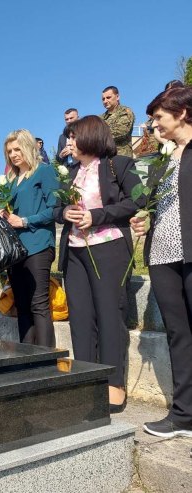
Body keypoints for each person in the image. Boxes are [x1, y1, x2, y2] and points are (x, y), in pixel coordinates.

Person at [53, 115, 143, 413]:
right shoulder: (71, 174)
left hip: (108, 248)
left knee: (108, 314)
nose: (68, 143)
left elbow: (136, 202)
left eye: (73, 136)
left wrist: (97, 215)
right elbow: (56, 209)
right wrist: (64, 211)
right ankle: (86, 381)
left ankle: (113, 384)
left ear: (90, 136)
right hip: (75, 252)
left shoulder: (120, 165)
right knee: (80, 318)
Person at [130, 86, 192, 438]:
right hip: (163, 254)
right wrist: (146, 220)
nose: (153, 124)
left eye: (158, 117)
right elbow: (160, 205)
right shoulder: (164, 158)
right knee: (178, 334)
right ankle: (184, 416)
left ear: (182, 112)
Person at [1, 129, 59, 347]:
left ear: (28, 147)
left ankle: (45, 359)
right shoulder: (10, 181)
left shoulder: (44, 171)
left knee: (39, 304)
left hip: (38, 245)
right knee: (22, 305)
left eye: (17, 149)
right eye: (10, 151)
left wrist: (24, 221)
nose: (14, 154)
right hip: (15, 251)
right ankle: (27, 359)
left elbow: (55, 209)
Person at [100, 86, 135, 157]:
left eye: (108, 97)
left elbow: (121, 131)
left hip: (121, 157)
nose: (105, 101)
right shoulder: (101, 118)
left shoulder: (125, 111)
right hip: (105, 157)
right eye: (103, 99)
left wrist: (98, 136)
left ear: (117, 97)